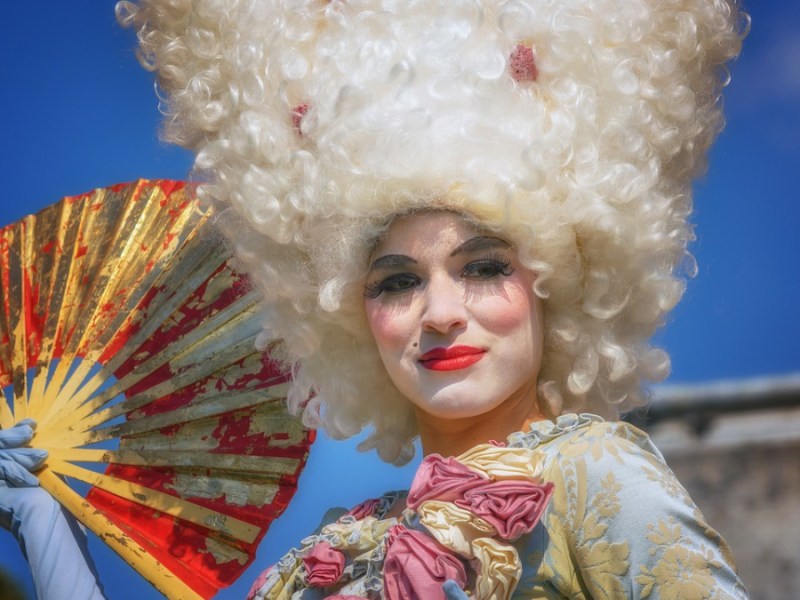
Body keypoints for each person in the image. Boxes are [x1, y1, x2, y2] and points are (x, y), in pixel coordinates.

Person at [2, 0, 748, 598]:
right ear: (349, 318)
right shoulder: (327, 556)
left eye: (483, 266)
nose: (442, 311)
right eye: (398, 281)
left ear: (559, 277)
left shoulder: (595, 473)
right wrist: (44, 525)